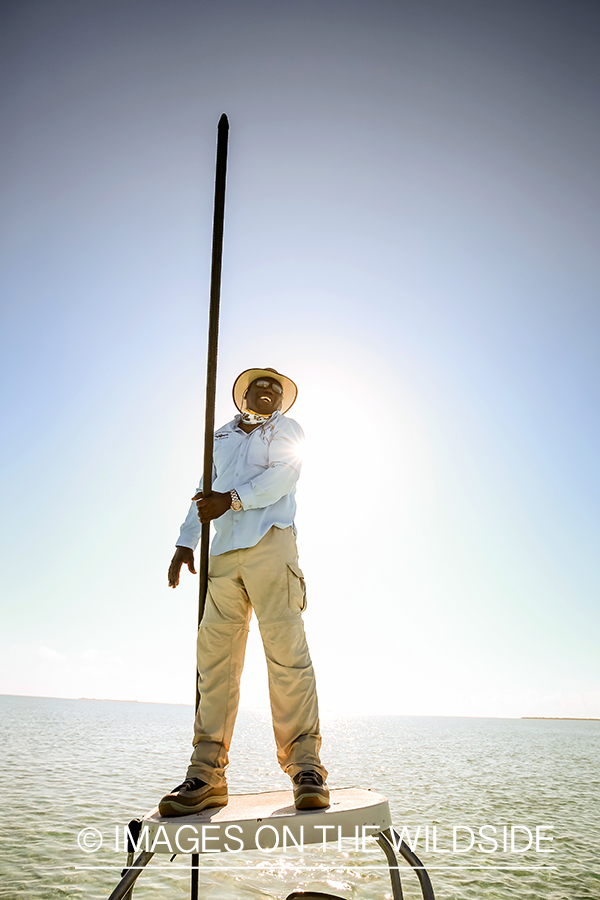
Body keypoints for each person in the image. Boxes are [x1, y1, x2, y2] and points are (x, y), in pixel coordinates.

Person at [158, 367, 329, 816]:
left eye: (277, 389)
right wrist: (184, 542)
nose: (269, 392)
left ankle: (306, 769)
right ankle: (206, 774)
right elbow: (202, 493)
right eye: (261, 386)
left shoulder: (286, 429)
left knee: (286, 656)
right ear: (245, 395)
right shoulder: (219, 438)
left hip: (272, 542)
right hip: (224, 555)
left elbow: (283, 478)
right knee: (215, 664)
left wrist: (231, 500)